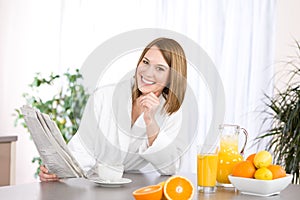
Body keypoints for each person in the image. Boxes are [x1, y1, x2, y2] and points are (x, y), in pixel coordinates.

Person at [39, 37, 191, 182]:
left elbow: (170, 167)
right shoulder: (104, 96)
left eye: (160, 68)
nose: (148, 72)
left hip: (134, 189)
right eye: (145, 62)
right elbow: (83, 147)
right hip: (94, 186)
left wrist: (150, 122)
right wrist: (59, 171)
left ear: (172, 78)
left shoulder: (171, 112)